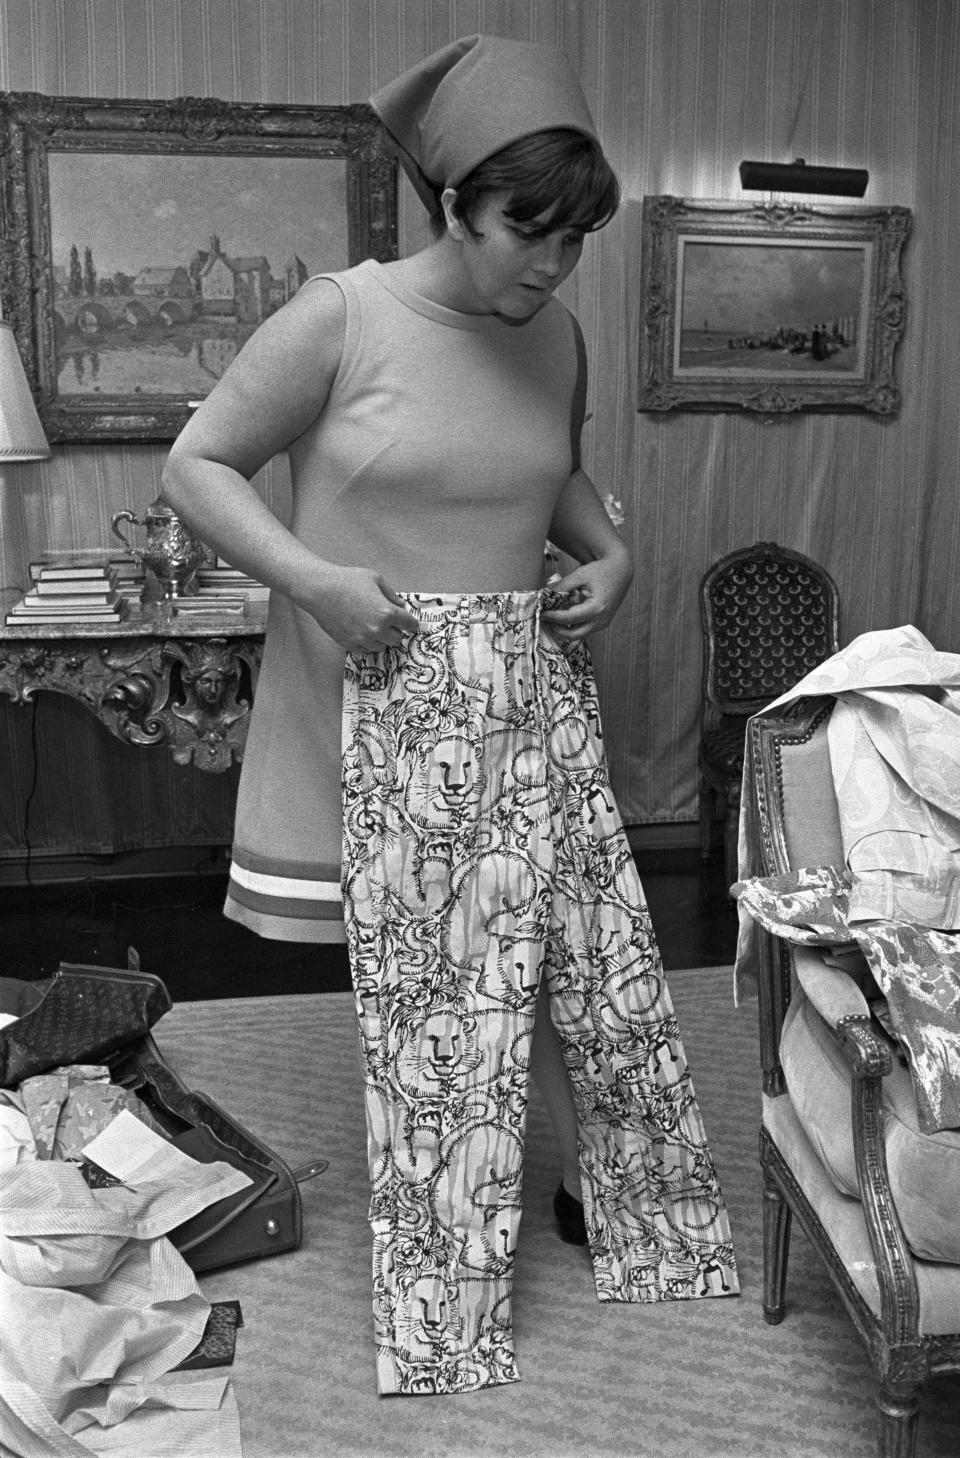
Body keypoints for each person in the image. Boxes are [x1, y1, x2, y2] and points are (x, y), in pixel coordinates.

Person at [161, 33, 738, 1398]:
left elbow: (563, 490)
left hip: (528, 702)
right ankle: (452, 1265)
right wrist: (309, 578)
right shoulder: (339, 318)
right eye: (523, 232)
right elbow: (198, 466)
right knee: (446, 1000)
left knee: (586, 970)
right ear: (451, 200)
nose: (549, 265)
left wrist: (614, 562)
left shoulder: (560, 337)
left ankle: (614, 1188)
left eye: (574, 240)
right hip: (387, 702)